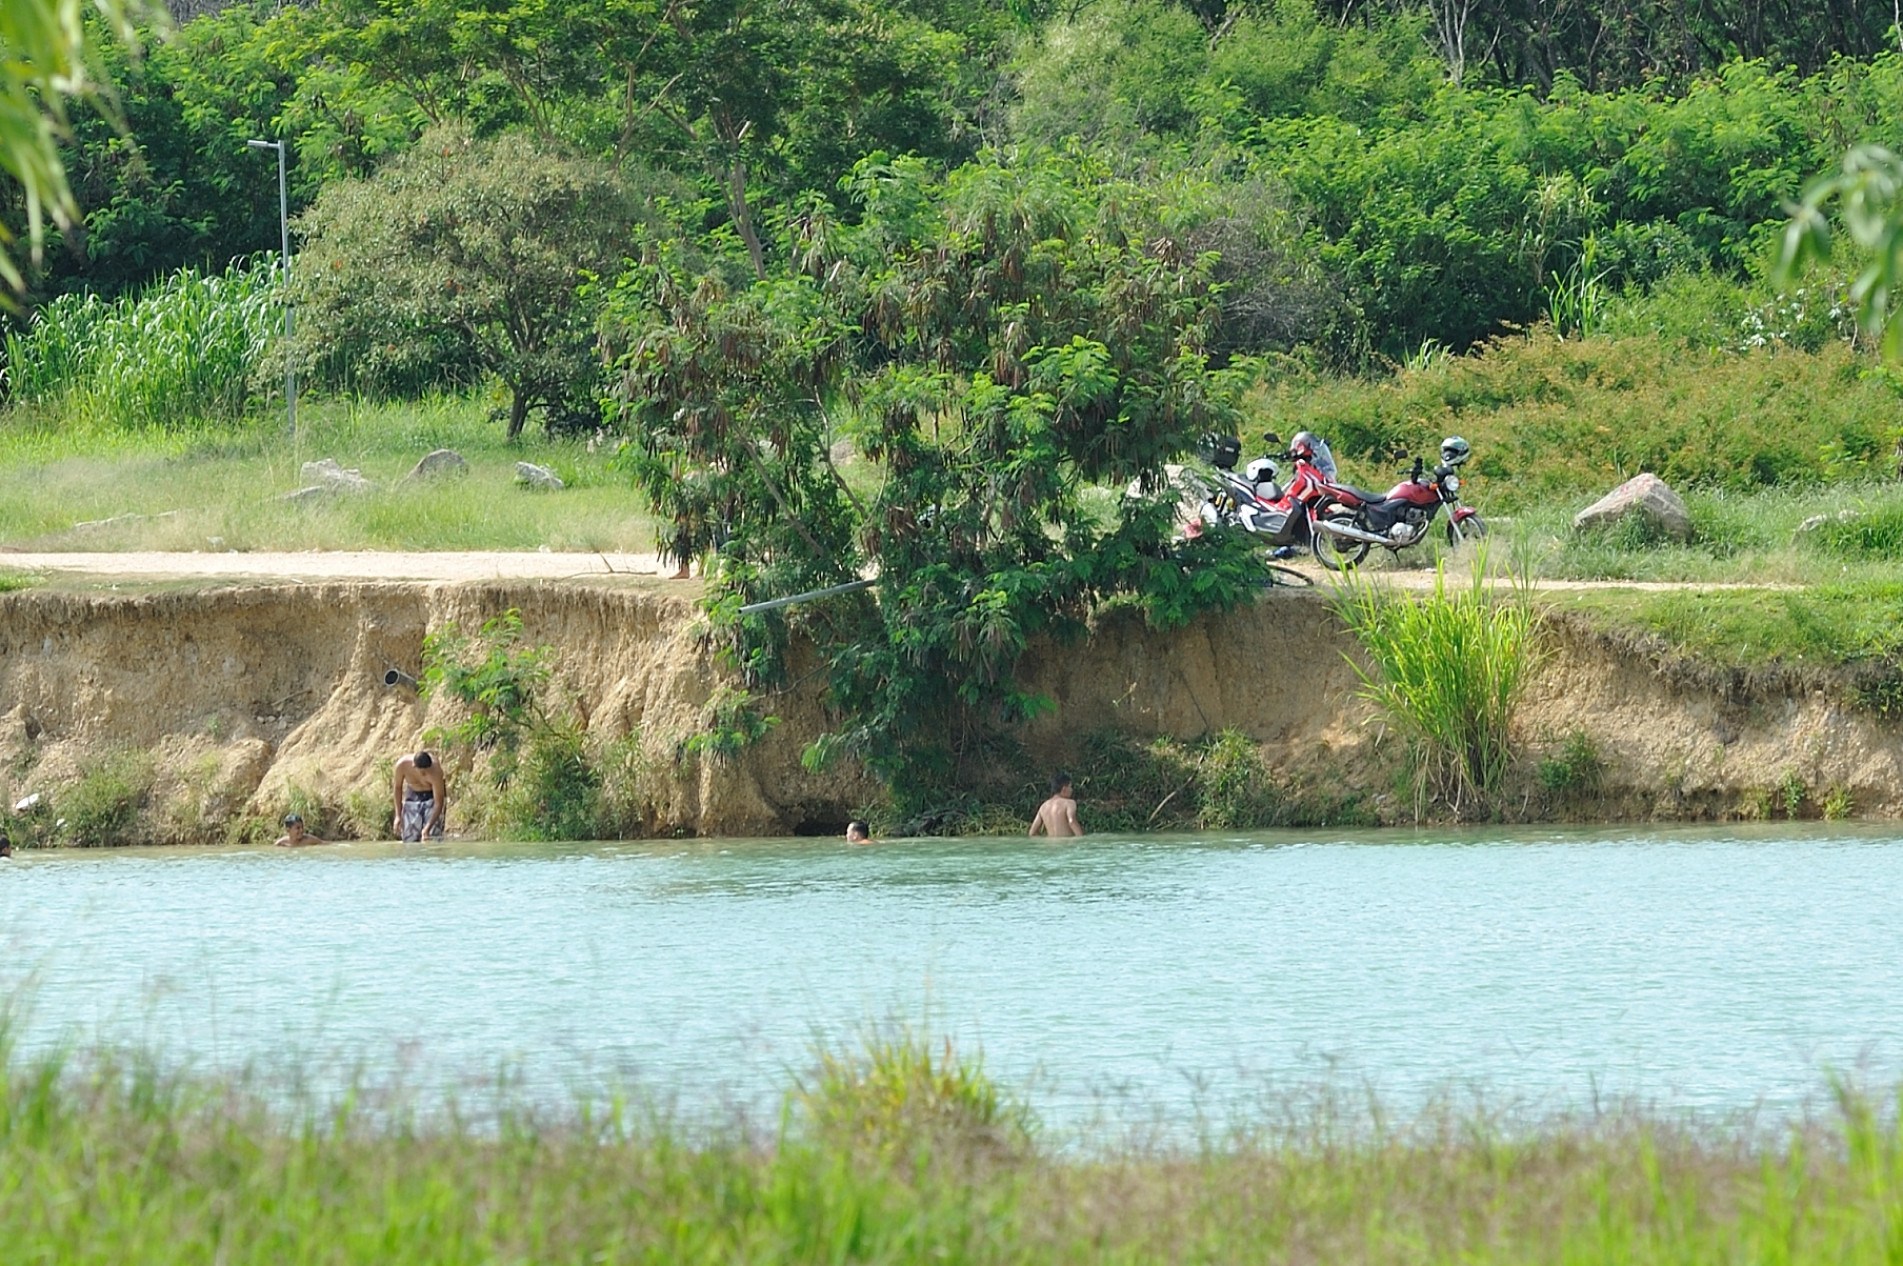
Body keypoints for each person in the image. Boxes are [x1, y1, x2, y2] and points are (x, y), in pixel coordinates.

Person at [393, 750, 448, 842]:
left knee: (431, 838)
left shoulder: (436, 771)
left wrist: (428, 828)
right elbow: (397, 788)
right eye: (422, 772)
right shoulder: (402, 765)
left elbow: (439, 803)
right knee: (409, 839)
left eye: (427, 771)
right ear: (414, 766)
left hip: (431, 798)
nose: (425, 774)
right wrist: (398, 815)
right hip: (413, 797)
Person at [1029, 771, 1084, 838]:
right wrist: (1081, 839)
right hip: (1066, 844)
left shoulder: (1043, 806)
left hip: (1050, 846)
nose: (1071, 790)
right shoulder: (1069, 803)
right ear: (1064, 789)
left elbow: (1032, 833)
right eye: (1070, 787)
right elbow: (1071, 821)